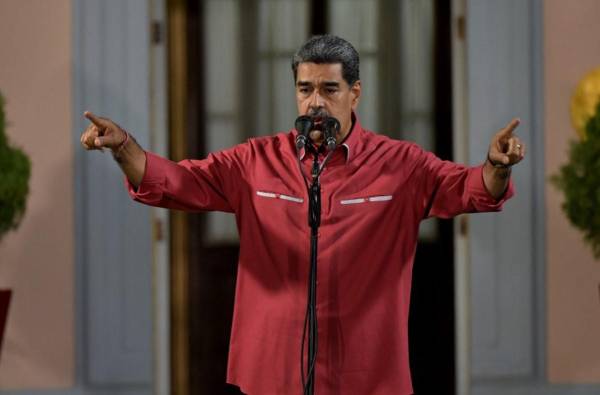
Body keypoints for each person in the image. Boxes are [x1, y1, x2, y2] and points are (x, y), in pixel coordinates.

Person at [80, 35, 525, 395]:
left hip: (366, 374)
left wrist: (496, 168)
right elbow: (176, 182)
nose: (315, 102)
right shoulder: (253, 160)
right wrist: (123, 148)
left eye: (329, 89)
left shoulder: (401, 165)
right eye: (304, 88)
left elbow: (470, 190)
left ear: (354, 93)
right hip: (273, 371)